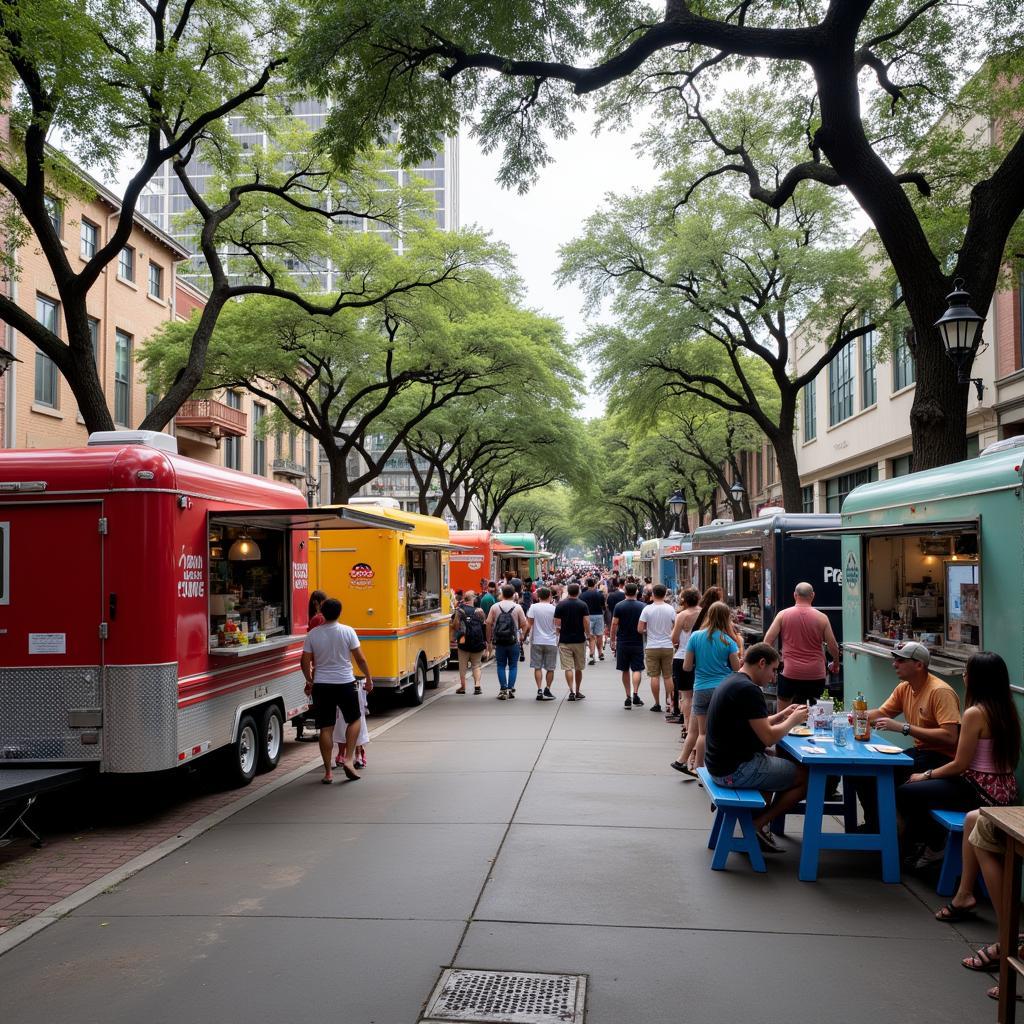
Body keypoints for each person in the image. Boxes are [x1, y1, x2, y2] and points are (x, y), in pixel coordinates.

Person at [898, 650, 1020, 872]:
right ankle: (928, 844)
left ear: (977, 679)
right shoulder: (1007, 710)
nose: (963, 675)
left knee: (908, 791)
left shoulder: (975, 713)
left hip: (980, 790)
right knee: (922, 788)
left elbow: (960, 765)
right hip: (1004, 788)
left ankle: (934, 846)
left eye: (966, 671)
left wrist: (925, 775)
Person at [702, 643, 811, 851]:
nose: (773, 677)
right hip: (734, 770)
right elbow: (768, 738)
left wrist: (782, 715)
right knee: (806, 777)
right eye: (773, 670)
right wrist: (793, 720)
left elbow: (755, 722)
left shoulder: (733, 681)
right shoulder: (749, 690)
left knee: (778, 761)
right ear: (762, 663)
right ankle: (757, 824)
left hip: (719, 764)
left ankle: (759, 824)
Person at [851, 641, 961, 836]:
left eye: (900, 660)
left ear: (919, 664)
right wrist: (848, 718)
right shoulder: (905, 688)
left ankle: (906, 838)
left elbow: (951, 737)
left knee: (894, 783)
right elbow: (883, 712)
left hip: (941, 760)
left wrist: (904, 728)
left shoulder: (939, 692)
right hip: (920, 754)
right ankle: (876, 828)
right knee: (863, 773)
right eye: (895, 660)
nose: (894, 664)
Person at [300, 597, 372, 784]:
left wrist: (309, 680)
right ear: (340, 612)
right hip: (345, 683)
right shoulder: (347, 631)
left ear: (322, 613)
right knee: (354, 719)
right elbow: (360, 659)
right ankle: (348, 759)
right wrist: (369, 678)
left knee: (326, 728)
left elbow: (304, 661)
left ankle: (327, 772)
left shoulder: (313, 634)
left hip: (322, 685)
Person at [671, 601, 741, 776]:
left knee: (700, 732)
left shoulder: (695, 637)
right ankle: (712, 767)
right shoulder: (728, 641)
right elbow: (736, 668)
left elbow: (687, 667)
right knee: (720, 730)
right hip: (723, 690)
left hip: (701, 688)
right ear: (726, 618)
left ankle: (697, 768)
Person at [763, 582, 841, 710]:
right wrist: (836, 664)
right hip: (815, 674)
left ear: (795, 595)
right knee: (814, 715)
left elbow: (767, 641)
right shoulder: (822, 618)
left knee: (783, 715)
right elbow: (833, 647)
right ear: (813, 596)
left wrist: (771, 666)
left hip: (789, 672)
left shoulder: (783, 615)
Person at [639, 583, 677, 714]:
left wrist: (648, 630)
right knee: (668, 676)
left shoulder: (647, 609)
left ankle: (656, 703)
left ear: (653, 595)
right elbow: (675, 626)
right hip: (667, 646)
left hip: (652, 646)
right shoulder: (671, 609)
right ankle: (670, 702)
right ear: (665, 594)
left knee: (654, 676)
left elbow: (640, 628)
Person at [486, 584, 529, 699]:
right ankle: (511, 689)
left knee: (500, 665)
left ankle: (503, 689)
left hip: (499, 640)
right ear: (514, 594)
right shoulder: (518, 607)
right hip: (513, 640)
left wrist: (488, 638)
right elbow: (525, 624)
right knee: (513, 666)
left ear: (502, 594)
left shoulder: (495, 607)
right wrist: (523, 636)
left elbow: (489, 623)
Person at [609, 581, 646, 708]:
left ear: (625, 592)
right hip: (637, 641)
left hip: (623, 642)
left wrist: (612, 639)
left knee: (625, 669)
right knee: (637, 669)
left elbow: (614, 624)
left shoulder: (619, 606)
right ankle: (636, 693)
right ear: (636, 592)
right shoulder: (642, 606)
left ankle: (628, 696)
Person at [670, 587, 701, 730]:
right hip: (701, 658)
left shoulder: (682, 616)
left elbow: (674, 638)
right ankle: (699, 727)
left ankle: (687, 727)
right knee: (698, 695)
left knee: (686, 696)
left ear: (684, 600)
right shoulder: (704, 614)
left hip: (682, 656)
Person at [554, 582, 591, 700]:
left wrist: (558, 635)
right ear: (578, 592)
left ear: (568, 592)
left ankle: (571, 691)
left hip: (565, 640)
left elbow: (557, 623)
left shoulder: (561, 605)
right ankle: (578, 690)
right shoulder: (583, 605)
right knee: (579, 667)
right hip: (579, 639)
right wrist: (588, 634)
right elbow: (586, 621)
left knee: (568, 667)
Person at [526, 586, 558, 700]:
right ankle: (547, 689)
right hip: (551, 641)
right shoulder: (554, 608)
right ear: (550, 596)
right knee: (550, 668)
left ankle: (539, 689)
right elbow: (558, 625)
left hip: (537, 640)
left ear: (538, 597)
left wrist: (524, 636)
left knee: (537, 667)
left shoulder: (533, 607)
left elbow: (529, 624)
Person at [452, 589, 487, 695]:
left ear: (464, 598)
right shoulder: (479, 611)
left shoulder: (460, 610)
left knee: (463, 665)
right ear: (473, 599)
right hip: (477, 642)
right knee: (476, 665)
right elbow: (484, 626)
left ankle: (463, 687)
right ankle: (477, 685)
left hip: (463, 642)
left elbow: (455, 625)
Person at [334, 676, 370, 769]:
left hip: (357, 680)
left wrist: (369, 679)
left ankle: (358, 753)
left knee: (358, 717)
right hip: (339, 681)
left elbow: (361, 661)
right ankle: (341, 752)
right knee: (340, 719)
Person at [580, 577, 607, 665]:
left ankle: (591, 653)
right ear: (595, 583)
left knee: (590, 636)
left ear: (587, 584)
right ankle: (600, 653)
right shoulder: (599, 594)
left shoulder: (583, 595)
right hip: (599, 615)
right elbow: (604, 607)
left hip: (587, 616)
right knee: (599, 635)